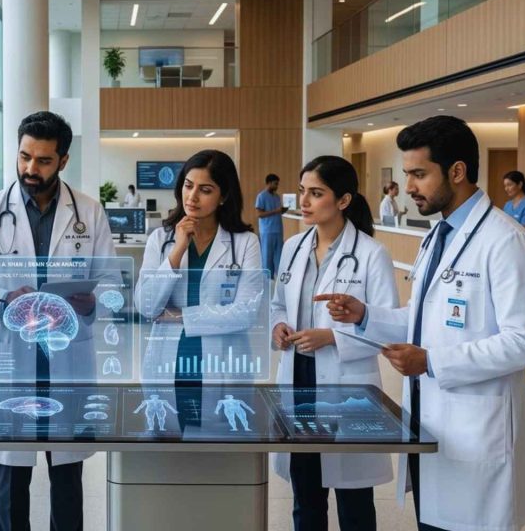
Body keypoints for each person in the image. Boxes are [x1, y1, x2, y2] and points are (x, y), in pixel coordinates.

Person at [319, 116, 525, 531]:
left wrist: (433, 362)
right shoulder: (436, 236)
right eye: (407, 175)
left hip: (478, 435)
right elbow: (421, 320)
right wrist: (366, 314)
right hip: (430, 429)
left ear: (457, 172)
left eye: (419, 175)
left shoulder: (507, 242)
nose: (408, 187)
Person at [0, 111, 116, 531]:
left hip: (68, 354)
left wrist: (91, 302)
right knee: (13, 478)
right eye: (25, 156)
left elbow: (114, 282)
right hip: (13, 355)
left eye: (43, 160)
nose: (30, 169)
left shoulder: (89, 212)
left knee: (67, 479)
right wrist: (6, 299)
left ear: (63, 160)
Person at [269, 156, 397, 531]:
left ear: (343, 200)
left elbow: (387, 325)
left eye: (316, 193)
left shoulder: (372, 254)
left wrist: (332, 337)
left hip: (346, 384)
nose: (304, 201)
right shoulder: (293, 246)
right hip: (298, 380)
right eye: (303, 191)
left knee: (354, 501)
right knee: (305, 496)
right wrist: (278, 325)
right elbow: (278, 302)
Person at [134, 151, 262, 421]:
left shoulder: (245, 243)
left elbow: (246, 313)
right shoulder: (161, 239)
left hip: (223, 365)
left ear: (223, 196)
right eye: (188, 186)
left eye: (205, 190)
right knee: (169, 449)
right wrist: (178, 250)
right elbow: (146, 306)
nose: (192, 197)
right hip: (167, 360)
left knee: (217, 453)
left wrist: (181, 316)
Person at [256, 173, 287, 277]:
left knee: (279, 255)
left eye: (277, 184)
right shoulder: (261, 196)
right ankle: (267, 278)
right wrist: (276, 211)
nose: (277, 186)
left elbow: (277, 211)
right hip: (267, 231)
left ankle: (279, 277)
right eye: (275, 184)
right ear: (268, 183)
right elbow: (259, 214)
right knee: (267, 255)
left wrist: (282, 211)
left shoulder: (277, 197)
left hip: (278, 230)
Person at [502, 170, 525, 235]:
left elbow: (524, 232)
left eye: (509, 185)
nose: (506, 189)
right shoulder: (507, 205)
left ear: (520, 185)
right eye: (505, 186)